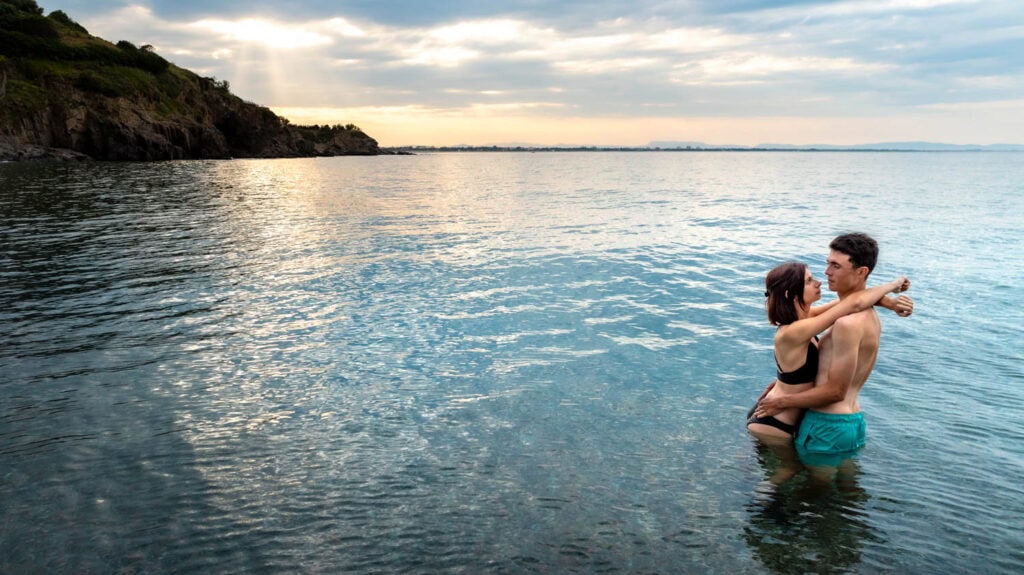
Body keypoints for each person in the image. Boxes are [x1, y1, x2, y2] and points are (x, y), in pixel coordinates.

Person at [754, 233, 910, 467]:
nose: (822, 276)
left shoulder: (807, 320)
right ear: (791, 293)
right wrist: (892, 286)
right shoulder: (796, 330)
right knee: (779, 485)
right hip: (777, 419)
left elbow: (848, 302)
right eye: (809, 280)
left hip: (805, 417)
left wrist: (888, 302)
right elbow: (852, 303)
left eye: (834, 265)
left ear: (861, 271)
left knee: (794, 486)